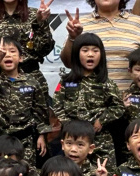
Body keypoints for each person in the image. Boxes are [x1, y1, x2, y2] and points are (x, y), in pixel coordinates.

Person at [60, 0, 140, 90]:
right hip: (91, 99)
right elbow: (68, 63)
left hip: (130, 99)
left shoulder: (138, 23)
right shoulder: (80, 24)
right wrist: (73, 37)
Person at [52, 32, 124, 168]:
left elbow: (118, 106)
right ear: (76, 54)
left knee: (105, 173)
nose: (90, 54)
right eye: (85, 50)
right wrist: (68, 124)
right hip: (73, 140)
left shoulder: (106, 83)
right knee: (72, 172)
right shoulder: (67, 81)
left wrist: (101, 121)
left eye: (95, 51)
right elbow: (57, 103)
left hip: (99, 140)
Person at [0, 36, 52, 171]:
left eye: (12, 51)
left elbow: (41, 111)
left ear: (21, 58)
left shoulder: (31, 82)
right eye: (3, 52)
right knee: (1, 171)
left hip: (25, 139)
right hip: (0, 139)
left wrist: (42, 135)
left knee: (25, 171)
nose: (7, 55)